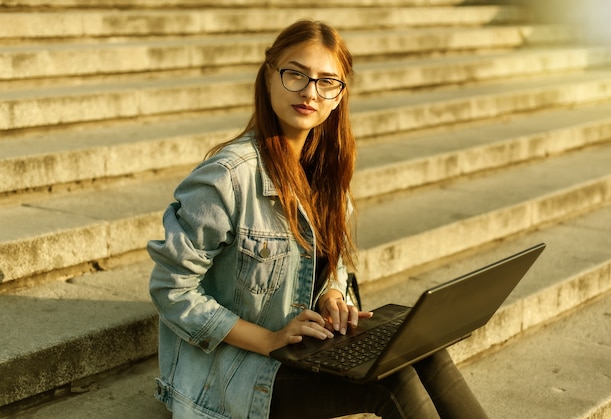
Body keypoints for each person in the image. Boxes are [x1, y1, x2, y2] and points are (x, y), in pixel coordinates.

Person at [148, 19, 489, 419]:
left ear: (339, 96)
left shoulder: (327, 173)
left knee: (423, 347)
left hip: (301, 351)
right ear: (270, 76)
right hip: (234, 373)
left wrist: (332, 294)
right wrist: (271, 339)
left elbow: (331, 265)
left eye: (327, 82)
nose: (310, 92)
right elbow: (172, 289)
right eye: (296, 75)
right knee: (393, 384)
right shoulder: (227, 177)